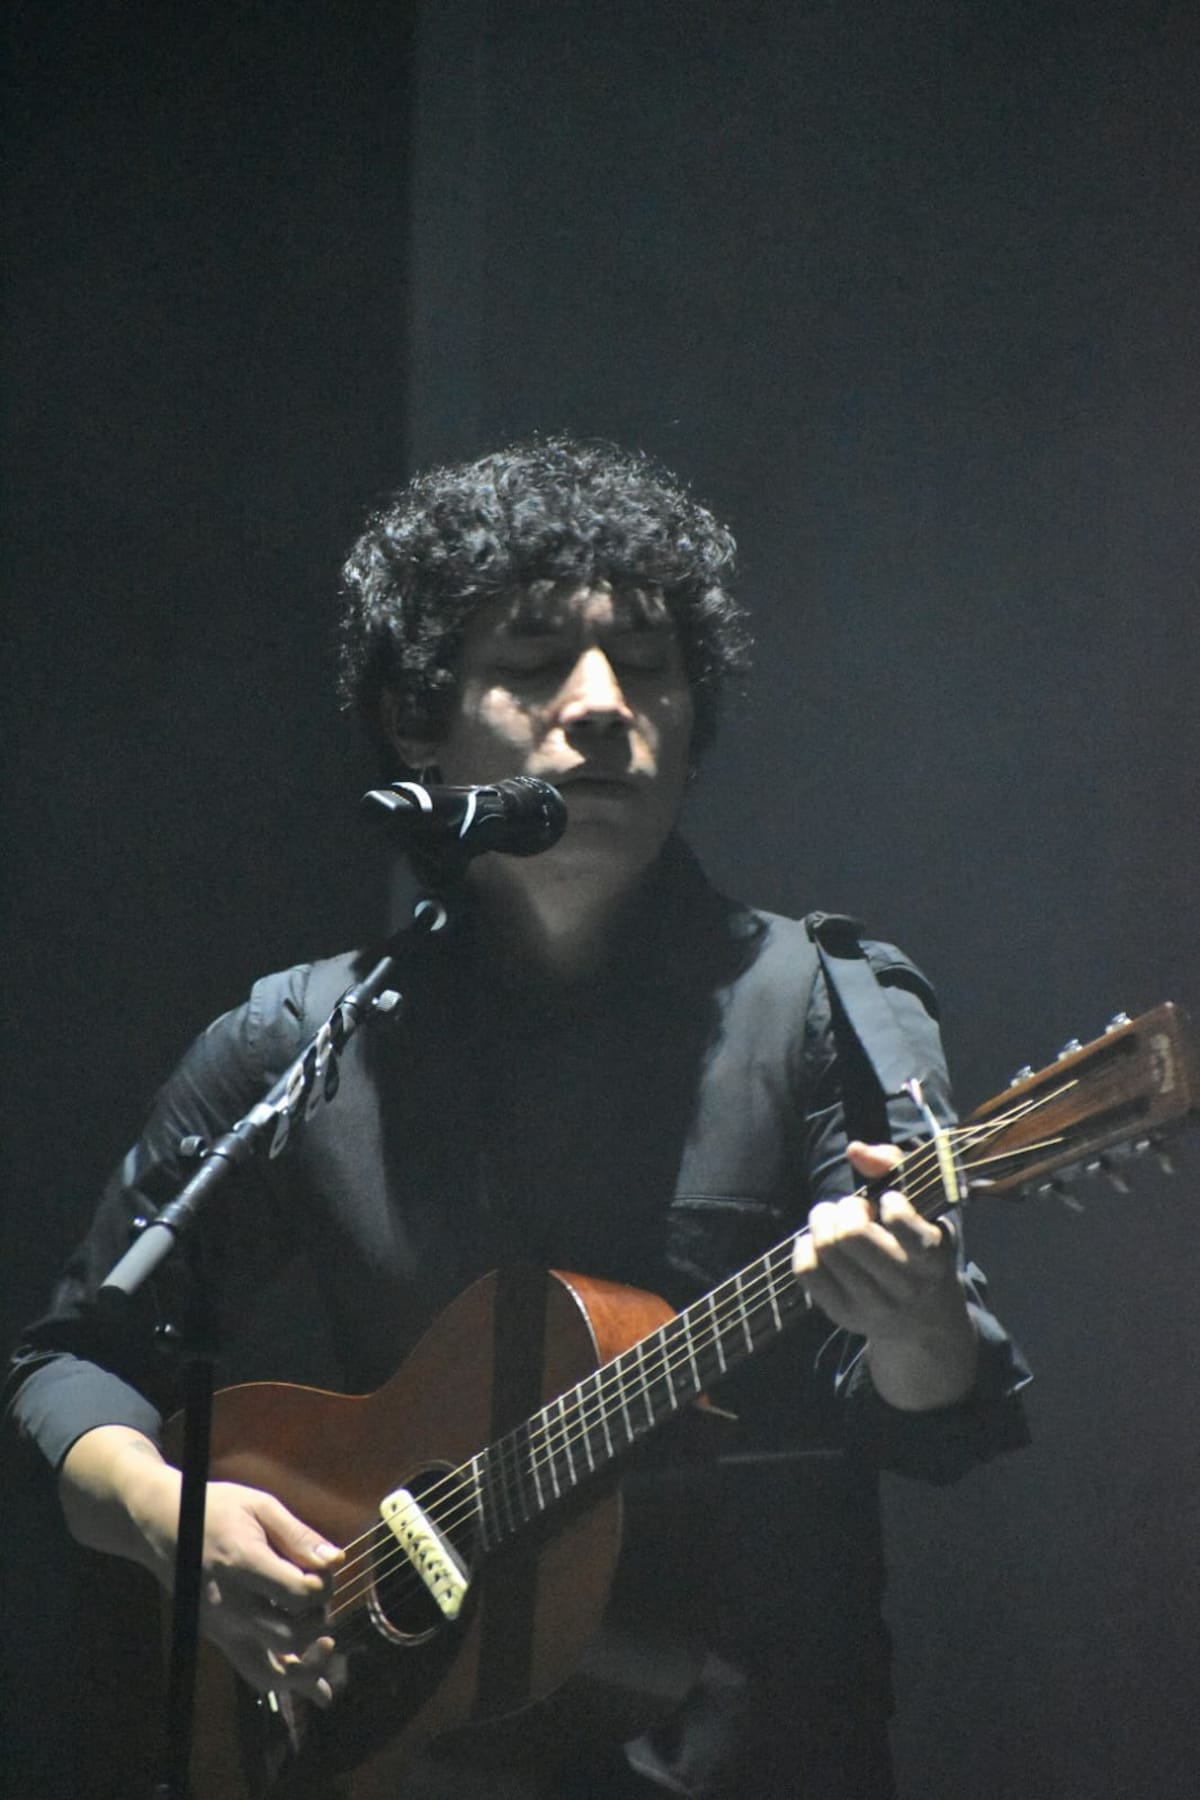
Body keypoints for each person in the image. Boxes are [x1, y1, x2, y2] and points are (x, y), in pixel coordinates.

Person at [6, 437, 1029, 1798]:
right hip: (388, 1748)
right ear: (420, 724)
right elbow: (72, 1363)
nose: (603, 706)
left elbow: (937, 1415)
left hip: (744, 1753)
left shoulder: (827, 1003)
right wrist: (164, 1519)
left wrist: (915, 1323)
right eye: (536, 660)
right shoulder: (301, 1037)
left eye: (650, 666)